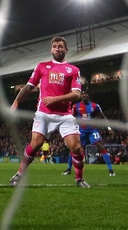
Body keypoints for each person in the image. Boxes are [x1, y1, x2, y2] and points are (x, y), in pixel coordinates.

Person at [9, 36, 89, 188]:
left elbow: (77, 94)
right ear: (51, 49)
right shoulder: (41, 66)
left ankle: (79, 179)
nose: (57, 49)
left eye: (60, 46)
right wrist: (16, 101)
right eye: (54, 46)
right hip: (44, 113)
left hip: (65, 115)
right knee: (35, 144)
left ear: (66, 50)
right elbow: (28, 87)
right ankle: (19, 174)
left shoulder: (73, 70)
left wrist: (55, 99)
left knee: (76, 148)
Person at [62, 88, 115, 176]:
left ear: (88, 95)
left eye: (86, 94)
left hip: (92, 129)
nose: (84, 95)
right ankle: (68, 168)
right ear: (80, 95)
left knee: (100, 146)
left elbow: (103, 117)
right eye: (83, 94)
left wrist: (109, 128)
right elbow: (70, 118)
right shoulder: (76, 106)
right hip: (81, 130)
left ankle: (111, 170)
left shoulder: (95, 106)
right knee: (74, 149)